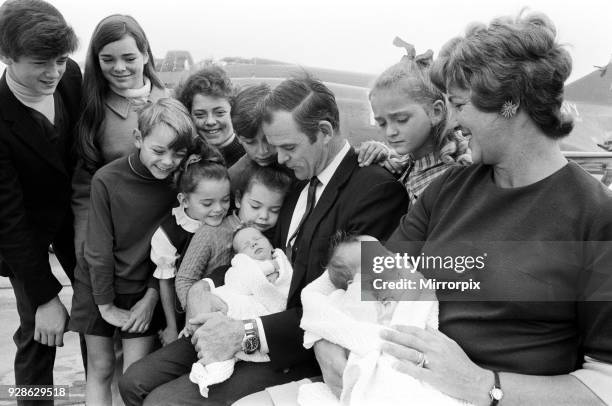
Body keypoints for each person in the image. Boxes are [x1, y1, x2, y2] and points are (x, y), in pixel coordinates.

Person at [327, 12, 611, 406]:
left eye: (460, 104)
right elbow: (371, 275)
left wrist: (483, 386)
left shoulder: (595, 218)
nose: (454, 122)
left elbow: (604, 384)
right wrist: (327, 338)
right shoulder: (448, 191)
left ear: (510, 103)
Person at [119, 75, 409, 406]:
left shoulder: (375, 191)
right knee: (133, 382)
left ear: (325, 132)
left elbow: (349, 304)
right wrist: (205, 289)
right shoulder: (299, 178)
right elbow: (257, 248)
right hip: (245, 308)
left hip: (296, 345)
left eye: (288, 147)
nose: (278, 158)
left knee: (163, 402)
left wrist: (244, 333)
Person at [68, 98, 196, 405]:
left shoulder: (179, 185)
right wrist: (105, 305)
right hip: (98, 288)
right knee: (100, 368)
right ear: (138, 139)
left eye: (178, 153)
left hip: (142, 290)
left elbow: (173, 253)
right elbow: (97, 250)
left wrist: (151, 298)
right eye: (158, 150)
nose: (168, 161)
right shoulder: (107, 179)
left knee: (133, 376)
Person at [0, 0, 80, 401]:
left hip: (81, 219)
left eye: (60, 60)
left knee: (100, 314)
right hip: (24, 234)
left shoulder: (72, 77)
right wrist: (46, 296)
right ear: (6, 55)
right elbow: (7, 220)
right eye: (39, 63)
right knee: (38, 331)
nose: (53, 74)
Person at [72, 13, 168, 276]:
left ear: (146, 55)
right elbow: (84, 188)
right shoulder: (91, 111)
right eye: (108, 59)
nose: (119, 67)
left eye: (129, 58)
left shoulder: (173, 104)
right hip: (117, 245)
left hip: (168, 242)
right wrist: (85, 246)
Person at [186, 226, 293, 398]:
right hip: (234, 306)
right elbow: (239, 283)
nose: (253, 243)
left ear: (271, 243)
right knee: (220, 318)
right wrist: (268, 267)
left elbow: (287, 288)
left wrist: (277, 269)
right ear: (238, 257)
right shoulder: (241, 266)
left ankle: (219, 360)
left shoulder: (284, 262)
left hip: (267, 319)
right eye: (246, 245)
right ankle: (212, 362)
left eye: (258, 238)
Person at [369, 41, 471, 206]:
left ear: (436, 112)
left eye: (401, 120)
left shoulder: (451, 178)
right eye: (382, 123)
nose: (390, 132)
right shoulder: (402, 165)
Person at [150, 141, 226, 346]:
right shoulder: (169, 233)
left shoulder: (228, 221)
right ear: (184, 200)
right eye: (208, 203)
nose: (219, 209)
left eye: (225, 200)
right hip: (182, 311)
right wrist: (172, 327)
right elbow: (165, 282)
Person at [175, 64, 245, 167]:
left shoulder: (251, 153)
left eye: (220, 113)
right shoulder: (183, 157)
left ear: (234, 110)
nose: (210, 121)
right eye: (200, 115)